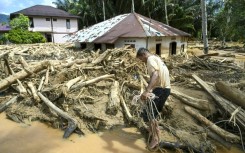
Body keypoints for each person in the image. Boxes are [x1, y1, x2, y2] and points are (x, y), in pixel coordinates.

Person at [136, 47, 171, 149]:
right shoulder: (156, 58)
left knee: (151, 113)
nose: (142, 61)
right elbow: (159, 75)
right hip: (164, 89)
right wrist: (151, 89)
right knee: (151, 113)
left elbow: (155, 75)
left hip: (161, 90)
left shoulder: (150, 60)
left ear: (143, 55)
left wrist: (147, 91)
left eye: (141, 59)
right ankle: (152, 129)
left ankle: (155, 138)